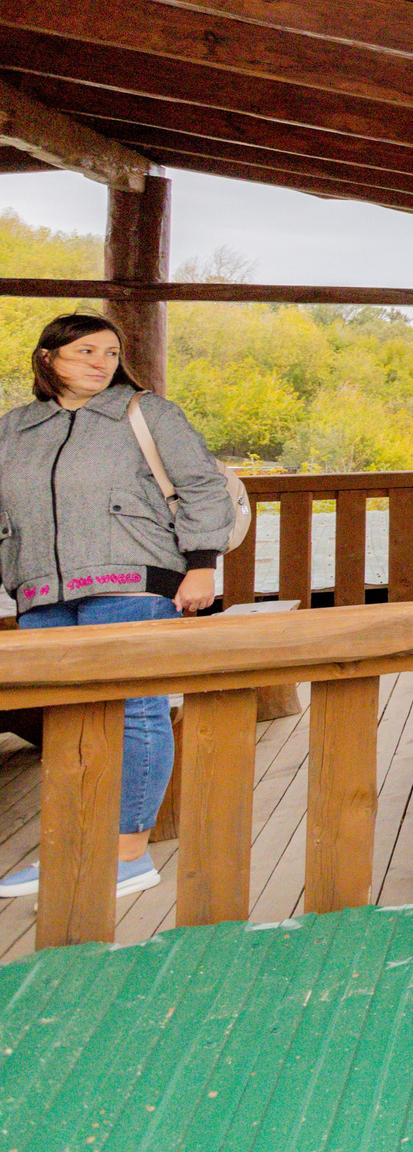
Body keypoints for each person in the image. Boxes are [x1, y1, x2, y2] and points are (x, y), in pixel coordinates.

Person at [0, 314, 234, 899]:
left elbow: (203, 486)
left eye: (109, 352)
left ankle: (129, 855)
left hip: (133, 581)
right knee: (65, 718)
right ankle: (75, 849)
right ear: (48, 357)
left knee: (135, 710)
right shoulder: (16, 428)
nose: (100, 363)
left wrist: (202, 564)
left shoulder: (146, 413)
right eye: (85, 351)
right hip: (42, 590)